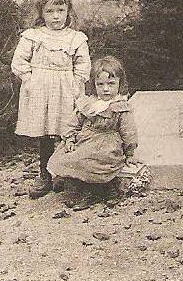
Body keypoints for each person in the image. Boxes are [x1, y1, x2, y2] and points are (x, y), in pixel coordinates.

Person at [11, 0, 91, 198]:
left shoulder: (76, 38)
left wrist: (76, 85)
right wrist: (31, 80)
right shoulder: (33, 36)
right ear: (41, 13)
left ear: (68, 11)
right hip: (40, 91)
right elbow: (19, 62)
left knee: (66, 132)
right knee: (45, 134)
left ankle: (63, 175)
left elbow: (83, 66)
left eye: (60, 11)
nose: (56, 17)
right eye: (50, 12)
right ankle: (45, 175)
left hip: (66, 90)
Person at [48, 56, 138, 208]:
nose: (105, 89)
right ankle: (76, 186)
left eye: (111, 84)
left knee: (92, 159)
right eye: (100, 84)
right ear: (94, 85)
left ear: (120, 84)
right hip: (85, 139)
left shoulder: (120, 107)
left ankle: (95, 191)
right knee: (68, 155)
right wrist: (69, 139)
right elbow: (74, 123)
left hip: (106, 144)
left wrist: (129, 153)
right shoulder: (89, 104)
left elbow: (129, 132)